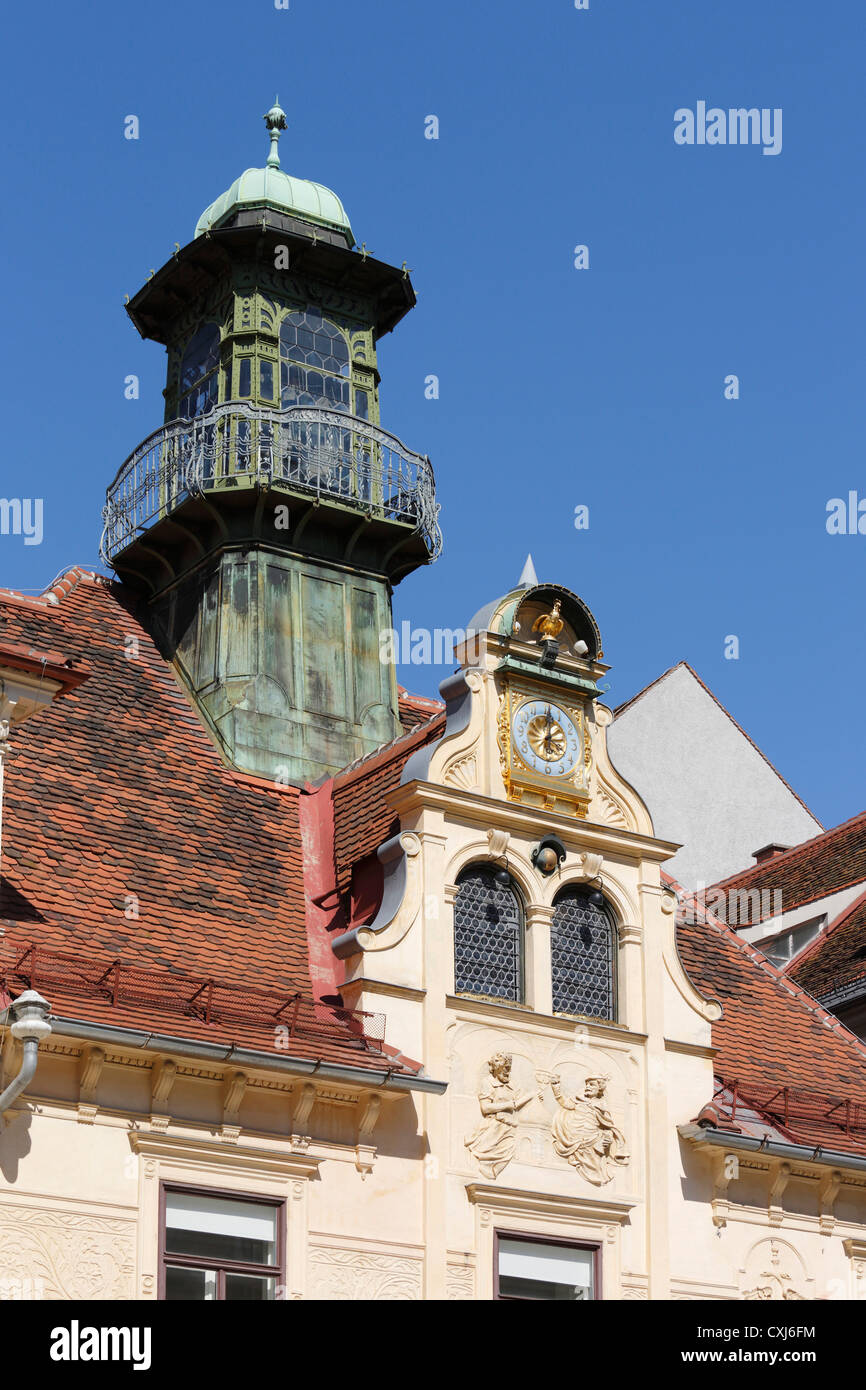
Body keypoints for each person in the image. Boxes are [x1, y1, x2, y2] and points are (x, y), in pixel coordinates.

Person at [465, 1053, 541, 1179]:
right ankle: (484, 1169)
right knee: (483, 1150)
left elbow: (521, 1101)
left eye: (509, 1069)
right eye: (505, 1069)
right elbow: (485, 1108)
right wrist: (511, 1104)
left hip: (509, 1127)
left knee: (511, 1148)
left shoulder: (512, 1085)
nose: (508, 1072)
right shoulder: (487, 1083)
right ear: (496, 1068)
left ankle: (491, 1172)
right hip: (493, 1126)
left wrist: (534, 1098)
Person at [550, 1073, 629, 1185]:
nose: (588, 1087)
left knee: (594, 1163)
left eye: (592, 1085)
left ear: (599, 1088)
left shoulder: (601, 1106)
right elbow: (565, 1103)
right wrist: (556, 1087)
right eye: (587, 1085)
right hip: (575, 1139)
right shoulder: (578, 1100)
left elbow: (608, 1126)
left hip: (592, 1140)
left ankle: (598, 1176)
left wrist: (608, 1138)